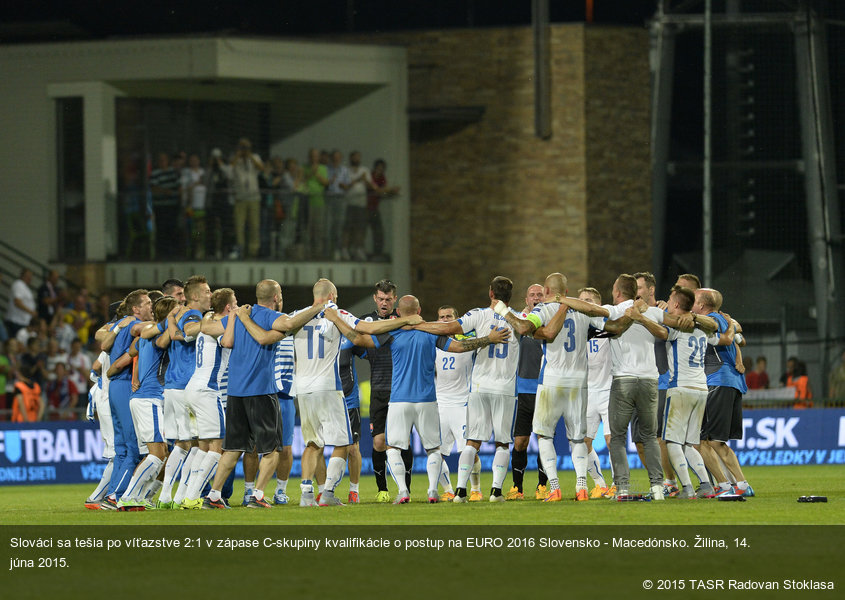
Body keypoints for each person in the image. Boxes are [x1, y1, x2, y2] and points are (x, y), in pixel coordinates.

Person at [238, 279, 420, 506]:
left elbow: (271, 334)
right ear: (332, 295)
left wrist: (244, 318)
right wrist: (405, 320)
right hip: (328, 387)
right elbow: (368, 328)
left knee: (312, 444)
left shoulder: (296, 316)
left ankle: (306, 495)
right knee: (343, 443)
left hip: (302, 389)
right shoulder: (337, 312)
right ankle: (328, 494)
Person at [327, 295, 507, 503]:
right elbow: (459, 347)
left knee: (393, 448)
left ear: (399, 313)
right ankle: (432, 491)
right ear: (419, 310)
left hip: (399, 401)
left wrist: (336, 319)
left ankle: (403, 491)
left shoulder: (392, 333)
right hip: (428, 400)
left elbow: (358, 339)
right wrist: (488, 339)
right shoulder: (431, 333)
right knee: (433, 449)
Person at [558, 274, 717, 500]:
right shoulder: (652, 312)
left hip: (624, 381)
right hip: (650, 381)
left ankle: (622, 488)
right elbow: (678, 322)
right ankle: (657, 488)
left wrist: (562, 299)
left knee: (619, 437)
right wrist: (695, 319)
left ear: (618, 292)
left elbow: (590, 309)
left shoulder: (615, 310)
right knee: (651, 437)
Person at [200, 279, 324, 509]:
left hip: (235, 393)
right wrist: (318, 306)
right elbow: (291, 322)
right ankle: (257, 496)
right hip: (261, 391)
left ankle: (214, 496)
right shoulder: (268, 317)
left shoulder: (236, 316)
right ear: (276, 297)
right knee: (272, 449)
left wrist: (210, 316)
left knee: (232, 449)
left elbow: (207, 328)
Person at [413, 276, 521, 502]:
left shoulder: (478, 314)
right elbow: (533, 329)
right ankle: (495, 492)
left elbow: (451, 327)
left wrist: (416, 324)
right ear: (510, 296)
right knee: (502, 442)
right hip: (505, 388)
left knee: (472, 442)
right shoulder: (518, 320)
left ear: (490, 293)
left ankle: (460, 491)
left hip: (479, 388)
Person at [500, 273, 601, 502]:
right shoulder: (584, 310)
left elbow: (526, 327)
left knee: (544, 437)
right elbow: (609, 325)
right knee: (577, 439)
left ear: (547, 291)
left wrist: (505, 313)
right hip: (578, 383)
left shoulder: (543, 310)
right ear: (566, 292)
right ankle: (581, 487)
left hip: (551, 382)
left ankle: (553, 487)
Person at [626, 285, 716, 499]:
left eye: (670, 299)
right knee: (687, 443)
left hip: (681, 388)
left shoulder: (678, 326)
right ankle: (706, 485)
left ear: (676, 304)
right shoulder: (702, 327)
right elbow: (717, 332)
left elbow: (661, 331)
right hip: (701, 389)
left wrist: (640, 317)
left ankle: (686, 488)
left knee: (672, 442)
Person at [118, 296, 181, 510]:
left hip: (145, 398)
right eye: (177, 310)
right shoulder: (158, 333)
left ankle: (143, 496)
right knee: (157, 454)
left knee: (159, 453)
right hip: (149, 398)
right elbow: (157, 340)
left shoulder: (149, 332)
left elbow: (134, 350)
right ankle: (129, 496)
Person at [693, 288, 755, 497]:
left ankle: (727, 485)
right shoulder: (723, 319)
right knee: (713, 441)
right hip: (731, 382)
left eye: (692, 300)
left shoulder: (710, 319)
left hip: (717, 381)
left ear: (701, 305)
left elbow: (729, 337)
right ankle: (739, 484)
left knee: (707, 441)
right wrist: (734, 326)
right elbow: (739, 339)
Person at [158, 275, 211, 509]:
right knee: (200, 444)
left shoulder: (177, 314)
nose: (211, 295)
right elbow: (189, 332)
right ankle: (183, 496)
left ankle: (166, 495)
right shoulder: (193, 314)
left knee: (181, 443)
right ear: (196, 296)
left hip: (172, 385)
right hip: (186, 386)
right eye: (208, 291)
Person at [180, 288, 236, 509]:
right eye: (236, 303)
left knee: (203, 446)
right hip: (208, 389)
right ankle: (195, 497)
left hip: (194, 387)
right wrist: (234, 318)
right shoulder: (220, 324)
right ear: (228, 307)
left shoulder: (208, 320)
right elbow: (229, 341)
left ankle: (186, 496)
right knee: (218, 446)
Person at [358, 279, 413, 501]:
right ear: (374, 298)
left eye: (388, 299)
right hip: (379, 389)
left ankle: (405, 488)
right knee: (379, 441)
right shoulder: (365, 321)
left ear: (394, 300)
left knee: (402, 441)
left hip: (401, 389)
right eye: (380, 299)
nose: (384, 302)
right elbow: (353, 345)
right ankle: (382, 489)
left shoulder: (402, 320)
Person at [100, 289, 154, 509]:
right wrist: (163, 324)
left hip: (114, 388)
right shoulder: (132, 323)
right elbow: (140, 328)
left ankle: (111, 493)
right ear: (136, 309)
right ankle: (116, 496)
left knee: (121, 447)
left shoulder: (118, 324)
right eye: (148, 303)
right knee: (133, 448)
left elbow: (103, 345)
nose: (151, 305)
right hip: (124, 385)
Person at [433, 305, 482, 501]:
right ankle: (448, 490)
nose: (445, 320)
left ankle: (476, 489)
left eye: (448, 317)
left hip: (463, 404)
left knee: (469, 450)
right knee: (436, 453)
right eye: (441, 317)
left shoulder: (469, 342)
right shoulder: (433, 343)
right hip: (441, 405)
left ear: (457, 319)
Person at [508, 283, 549, 501]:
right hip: (523, 389)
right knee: (520, 441)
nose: (536, 297)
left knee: (543, 438)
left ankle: (542, 486)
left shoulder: (551, 319)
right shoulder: (520, 321)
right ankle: (517, 488)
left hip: (545, 387)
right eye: (532, 295)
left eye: (540, 294)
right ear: (526, 300)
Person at [578, 287, 613, 498]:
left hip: (609, 390)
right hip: (587, 393)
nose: (584, 303)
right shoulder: (577, 329)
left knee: (611, 440)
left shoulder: (609, 327)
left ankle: (619, 483)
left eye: (589, 300)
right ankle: (600, 483)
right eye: (581, 300)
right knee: (584, 442)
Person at [230, 138, 264, 259]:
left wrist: (249, 155)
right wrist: (238, 155)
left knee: (254, 225)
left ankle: (253, 251)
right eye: (242, 147)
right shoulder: (235, 160)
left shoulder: (254, 158)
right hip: (240, 198)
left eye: (246, 147)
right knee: (239, 225)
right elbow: (229, 169)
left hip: (254, 197)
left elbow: (261, 168)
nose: (244, 150)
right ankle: (240, 249)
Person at [149, 152, 182, 259]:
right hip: (160, 207)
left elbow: (179, 186)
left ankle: (173, 251)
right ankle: (162, 252)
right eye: (160, 160)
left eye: (164, 160)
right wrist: (165, 191)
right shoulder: (155, 173)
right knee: (161, 229)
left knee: (172, 228)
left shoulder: (173, 172)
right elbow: (153, 188)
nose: (162, 162)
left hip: (172, 207)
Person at [366, 159, 400, 260]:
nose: (380, 170)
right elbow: (377, 189)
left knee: (378, 231)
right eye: (379, 167)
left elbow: (383, 189)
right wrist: (387, 190)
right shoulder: (370, 176)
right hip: (365, 207)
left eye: (382, 168)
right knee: (362, 230)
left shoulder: (382, 178)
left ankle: (377, 251)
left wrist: (390, 191)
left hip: (375, 208)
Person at [342, 151, 373, 261]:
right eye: (354, 157)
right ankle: (345, 249)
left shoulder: (364, 170)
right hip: (350, 203)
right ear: (351, 159)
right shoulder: (346, 171)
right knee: (348, 227)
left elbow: (370, 186)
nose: (356, 159)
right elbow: (344, 186)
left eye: (358, 157)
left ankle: (358, 248)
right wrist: (358, 179)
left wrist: (364, 180)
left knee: (360, 228)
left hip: (361, 204)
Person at [304, 148, 329, 258]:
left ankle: (318, 253)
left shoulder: (323, 168)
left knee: (318, 229)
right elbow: (302, 180)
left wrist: (316, 174)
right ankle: (307, 253)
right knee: (307, 229)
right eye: (312, 156)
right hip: (306, 203)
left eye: (315, 156)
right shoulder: (304, 167)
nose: (314, 158)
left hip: (319, 203)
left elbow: (326, 182)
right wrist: (311, 173)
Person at [182, 154, 207, 260]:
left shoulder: (203, 172)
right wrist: (196, 183)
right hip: (191, 208)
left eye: (196, 159)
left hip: (201, 208)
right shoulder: (186, 172)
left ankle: (200, 251)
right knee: (191, 231)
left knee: (199, 231)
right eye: (192, 160)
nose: (194, 162)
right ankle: (190, 251)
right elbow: (184, 188)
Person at [326, 150, 350, 261]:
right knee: (329, 224)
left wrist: (343, 185)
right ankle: (329, 250)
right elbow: (325, 183)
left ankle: (337, 249)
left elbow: (347, 185)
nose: (336, 159)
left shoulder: (344, 171)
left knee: (339, 224)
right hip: (330, 198)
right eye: (334, 157)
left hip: (340, 198)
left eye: (338, 157)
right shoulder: (327, 169)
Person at [5, 268, 37, 339]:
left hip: (23, 322)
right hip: (16, 321)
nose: (30, 278)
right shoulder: (18, 284)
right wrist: (31, 312)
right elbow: (17, 302)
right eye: (28, 276)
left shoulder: (25, 287)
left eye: (31, 276)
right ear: (23, 275)